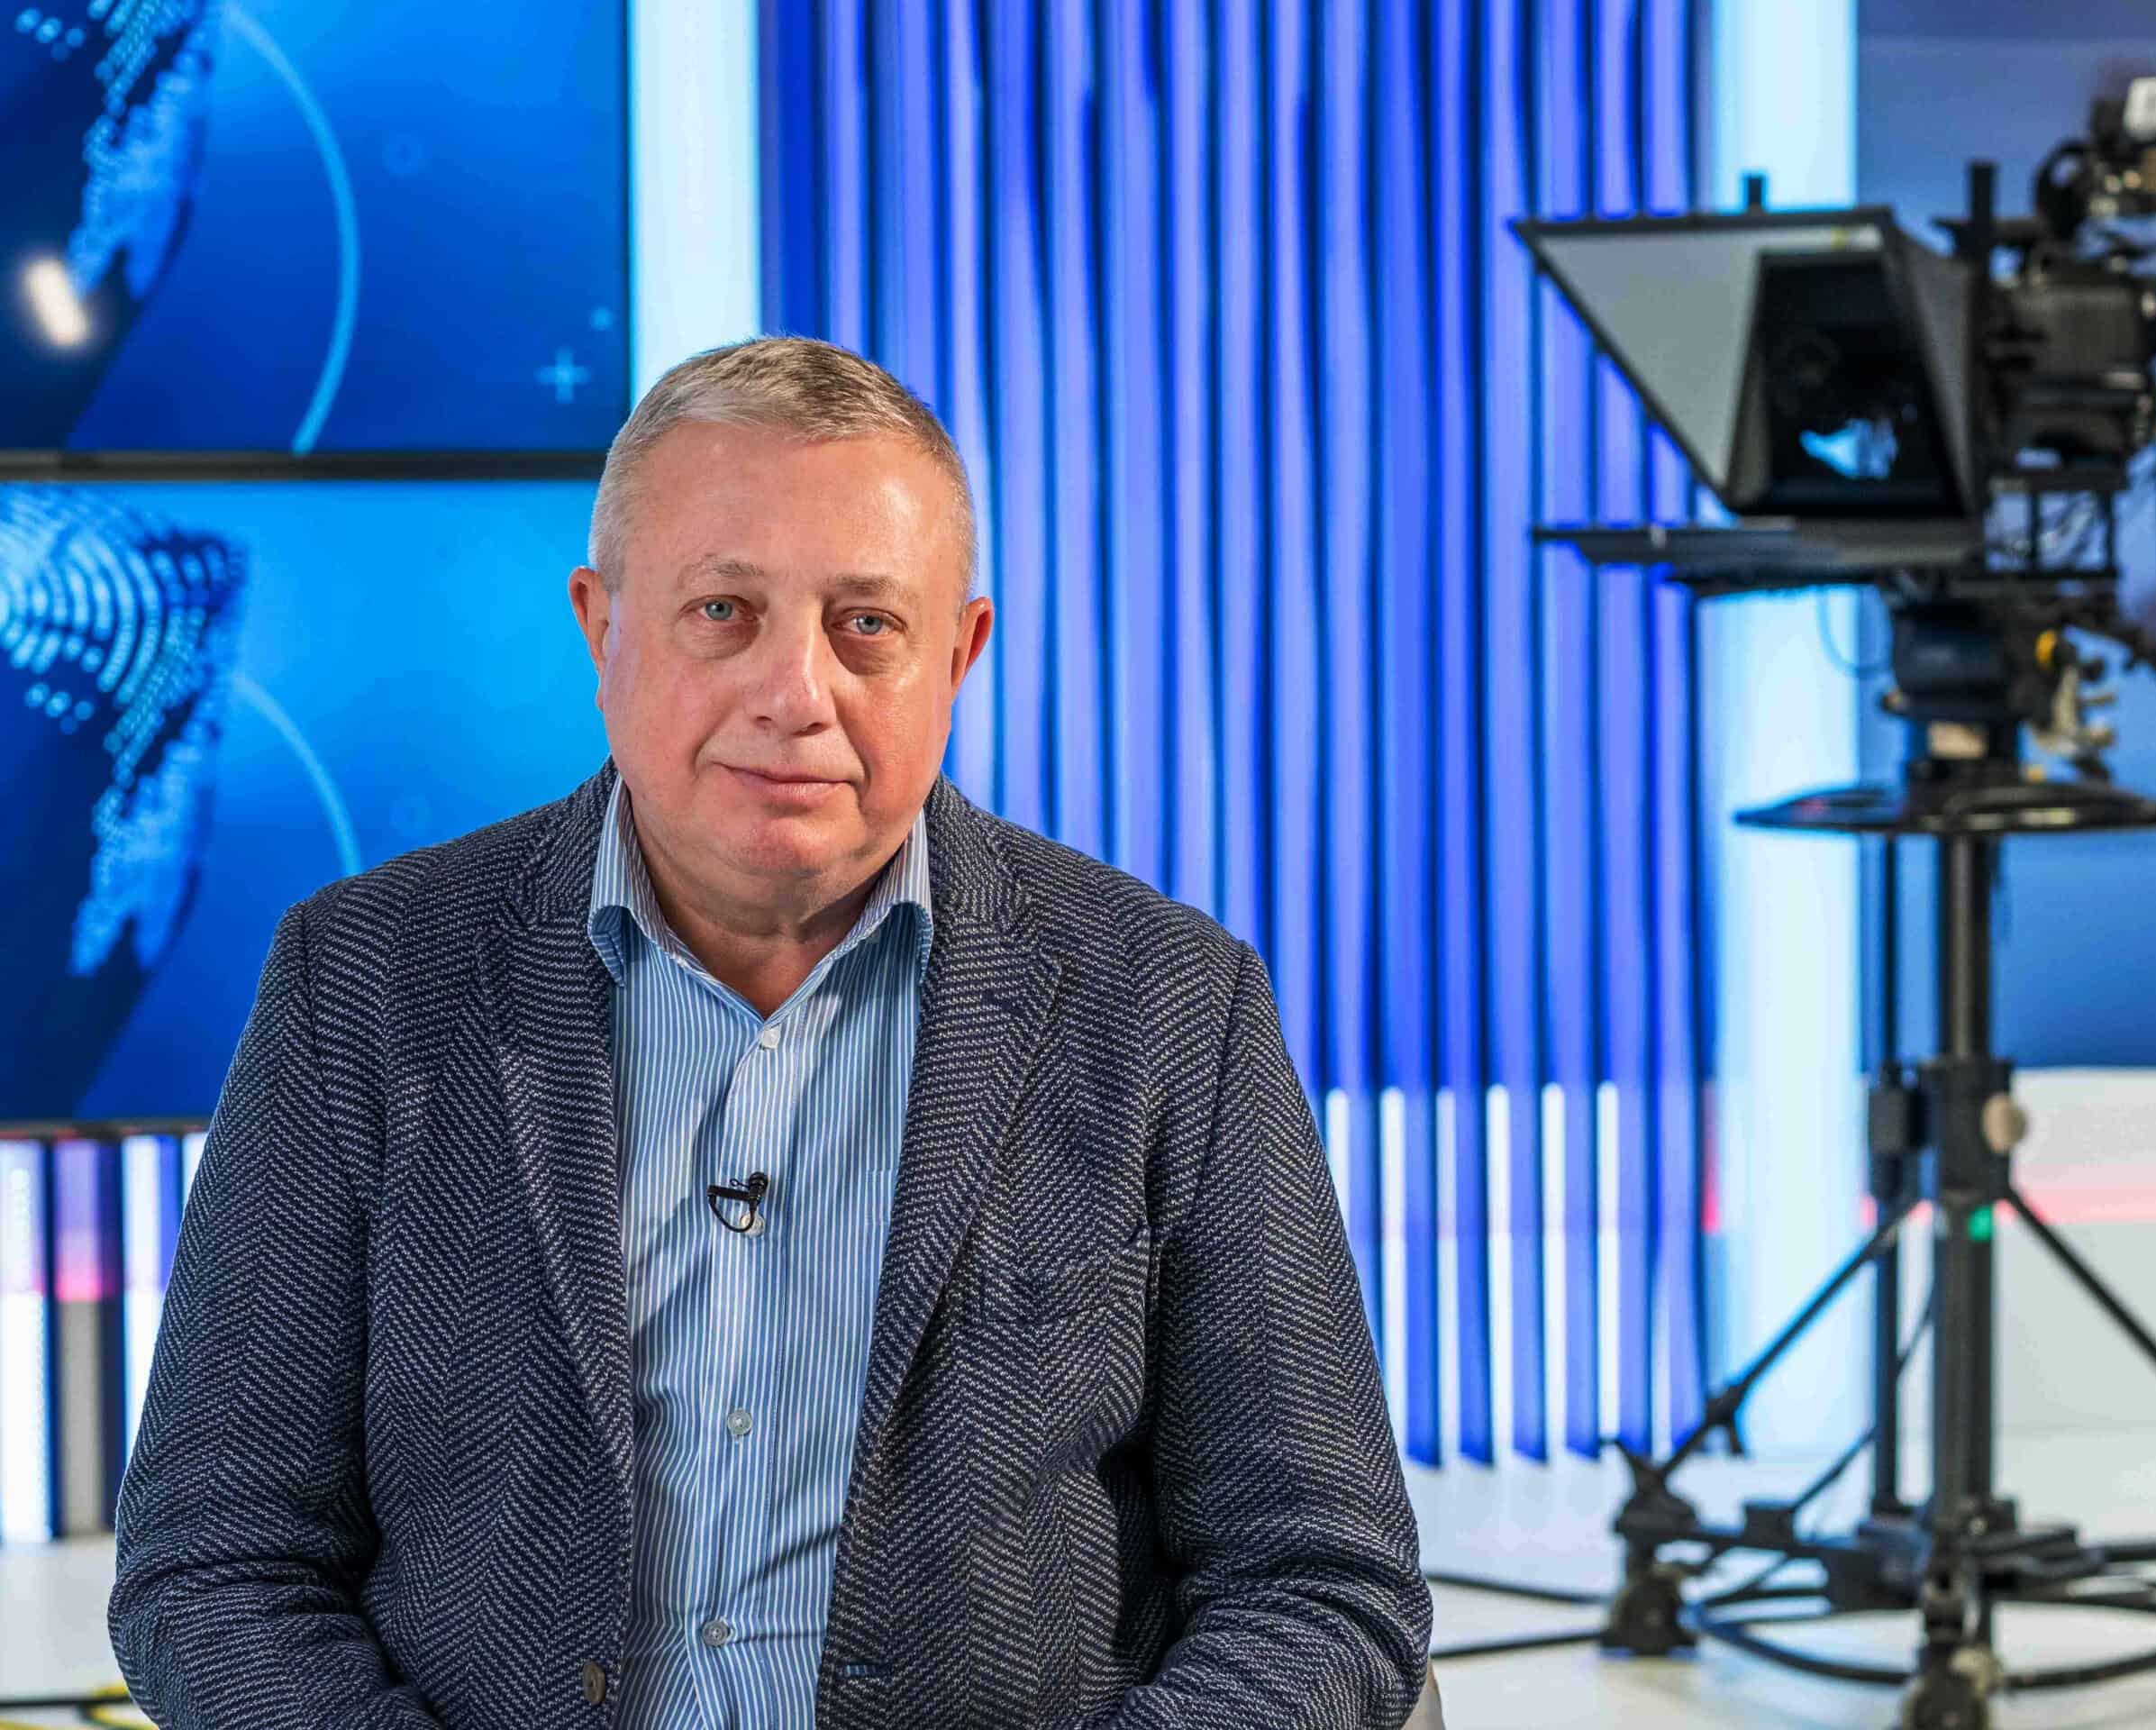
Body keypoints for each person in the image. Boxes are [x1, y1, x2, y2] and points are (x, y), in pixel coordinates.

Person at [108, 335, 1433, 1727]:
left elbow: (1320, 1584)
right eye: (724, 612)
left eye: (867, 624)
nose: (796, 694)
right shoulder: (365, 980)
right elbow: (214, 1564)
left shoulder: (1167, 1002)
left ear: (960, 652)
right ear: (601, 629)